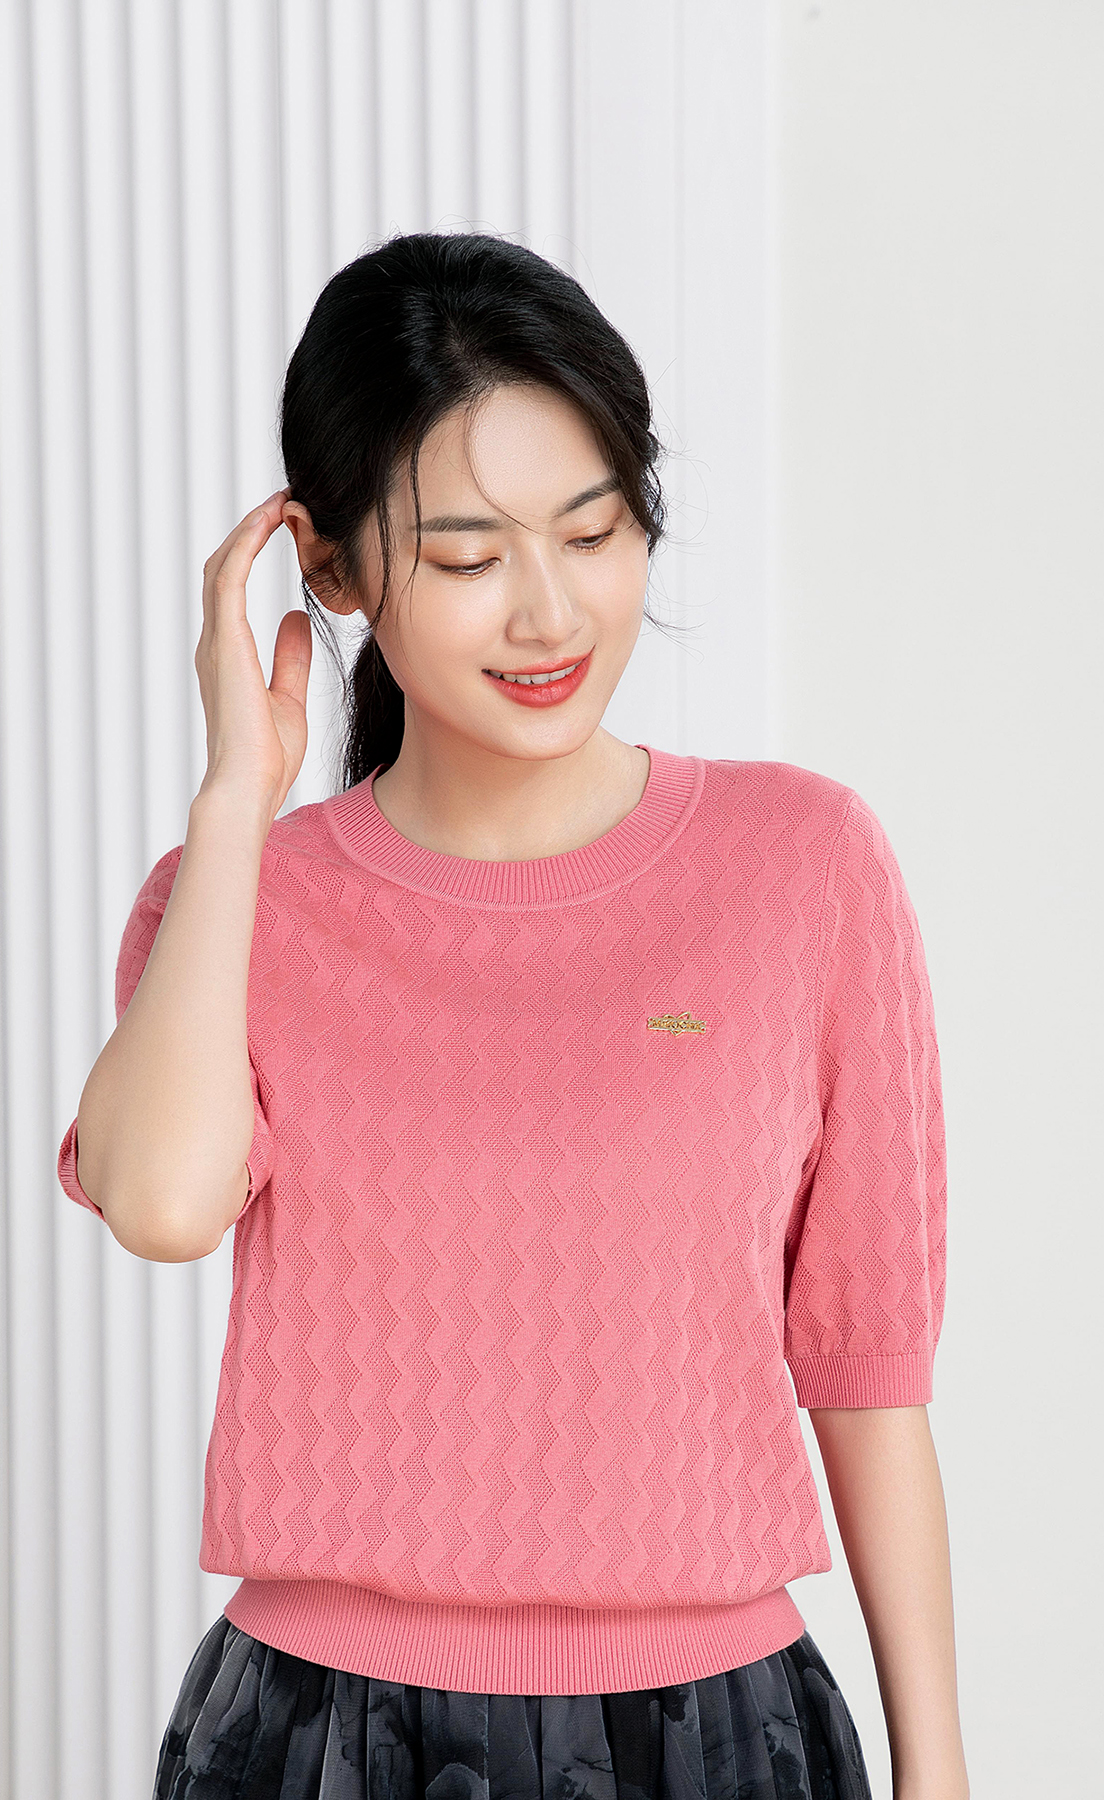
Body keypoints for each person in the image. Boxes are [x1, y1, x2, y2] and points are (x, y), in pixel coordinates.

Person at [58, 232, 970, 1800]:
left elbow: (868, 1365)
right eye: (471, 558)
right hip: (324, 1736)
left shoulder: (804, 865)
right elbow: (158, 1203)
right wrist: (233, 802)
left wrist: (937, 1772)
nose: (551, 613)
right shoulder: (239, 899)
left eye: (594, 531)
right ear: (333, 570)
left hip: (718, 1732)